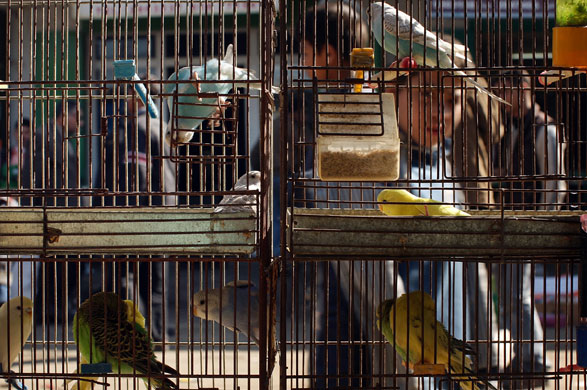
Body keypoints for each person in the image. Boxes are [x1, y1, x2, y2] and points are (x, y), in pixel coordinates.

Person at [492, 71, 562, 386]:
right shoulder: (511, 128)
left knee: (516, 293)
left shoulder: (544, 128)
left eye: (504, 90)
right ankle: (527, 358)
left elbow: (555, 184)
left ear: (522, 89)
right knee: (510, 294)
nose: (501, 99)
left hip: (529, 224)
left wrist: (543, 226)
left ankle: (534, 360)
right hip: (512, 221)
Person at [98, 78, 177, 343]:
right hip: (158, 214)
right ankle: (157, 336)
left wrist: (103, 210)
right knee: (154, 280)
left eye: (130, 95)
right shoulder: (164, 128)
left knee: (126, 278)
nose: (125, 100)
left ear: (141, 98)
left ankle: (130, 337)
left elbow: (125, 171)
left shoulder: (136, 128)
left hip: (134, 214)